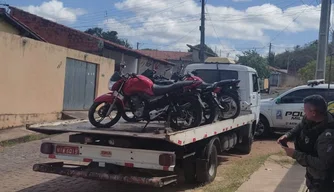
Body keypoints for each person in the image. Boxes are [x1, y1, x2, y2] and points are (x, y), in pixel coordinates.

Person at [277, 95, 334, 192]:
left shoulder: (327, 135)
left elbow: (323, 164)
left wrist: (295, 154)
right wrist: (288, 135)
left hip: (322, 180)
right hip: (311, 174)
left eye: (305, 110)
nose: (304, 112)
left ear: (313, 113)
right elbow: (300, 126)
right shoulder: (310, 119)